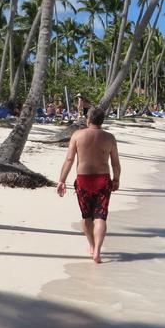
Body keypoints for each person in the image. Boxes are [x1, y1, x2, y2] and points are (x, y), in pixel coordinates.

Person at [56, 107, 121, 264]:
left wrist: (61, 180)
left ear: (88, 119)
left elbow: (69, 160)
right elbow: (115, 163)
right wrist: (116, 179)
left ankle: (92, 247)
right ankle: (98, 251)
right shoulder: (109, 138)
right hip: (103, 180)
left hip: (83, 180)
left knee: (86, 217)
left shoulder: (78, 135)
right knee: (100, 217)